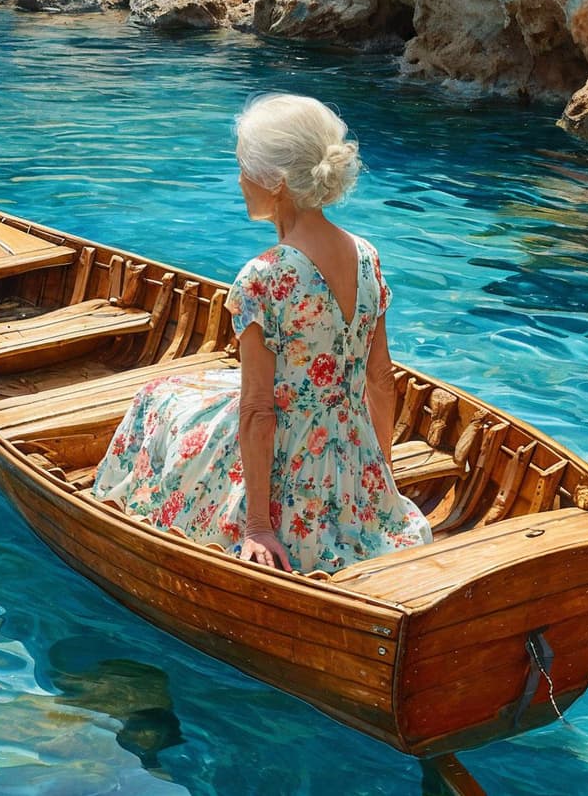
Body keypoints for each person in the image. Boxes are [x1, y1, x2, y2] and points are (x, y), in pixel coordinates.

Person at [92, 93, 432, 573]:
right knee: (188, 391)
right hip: (351, 456)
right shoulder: (366, 256)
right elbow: (380, 379)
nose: (238, 180)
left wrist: (258, 526)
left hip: (286, 466)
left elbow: (257, 410)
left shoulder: (263, 277)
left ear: (276, 183)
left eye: (243, 168)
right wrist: (378, 483)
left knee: (157, 399)